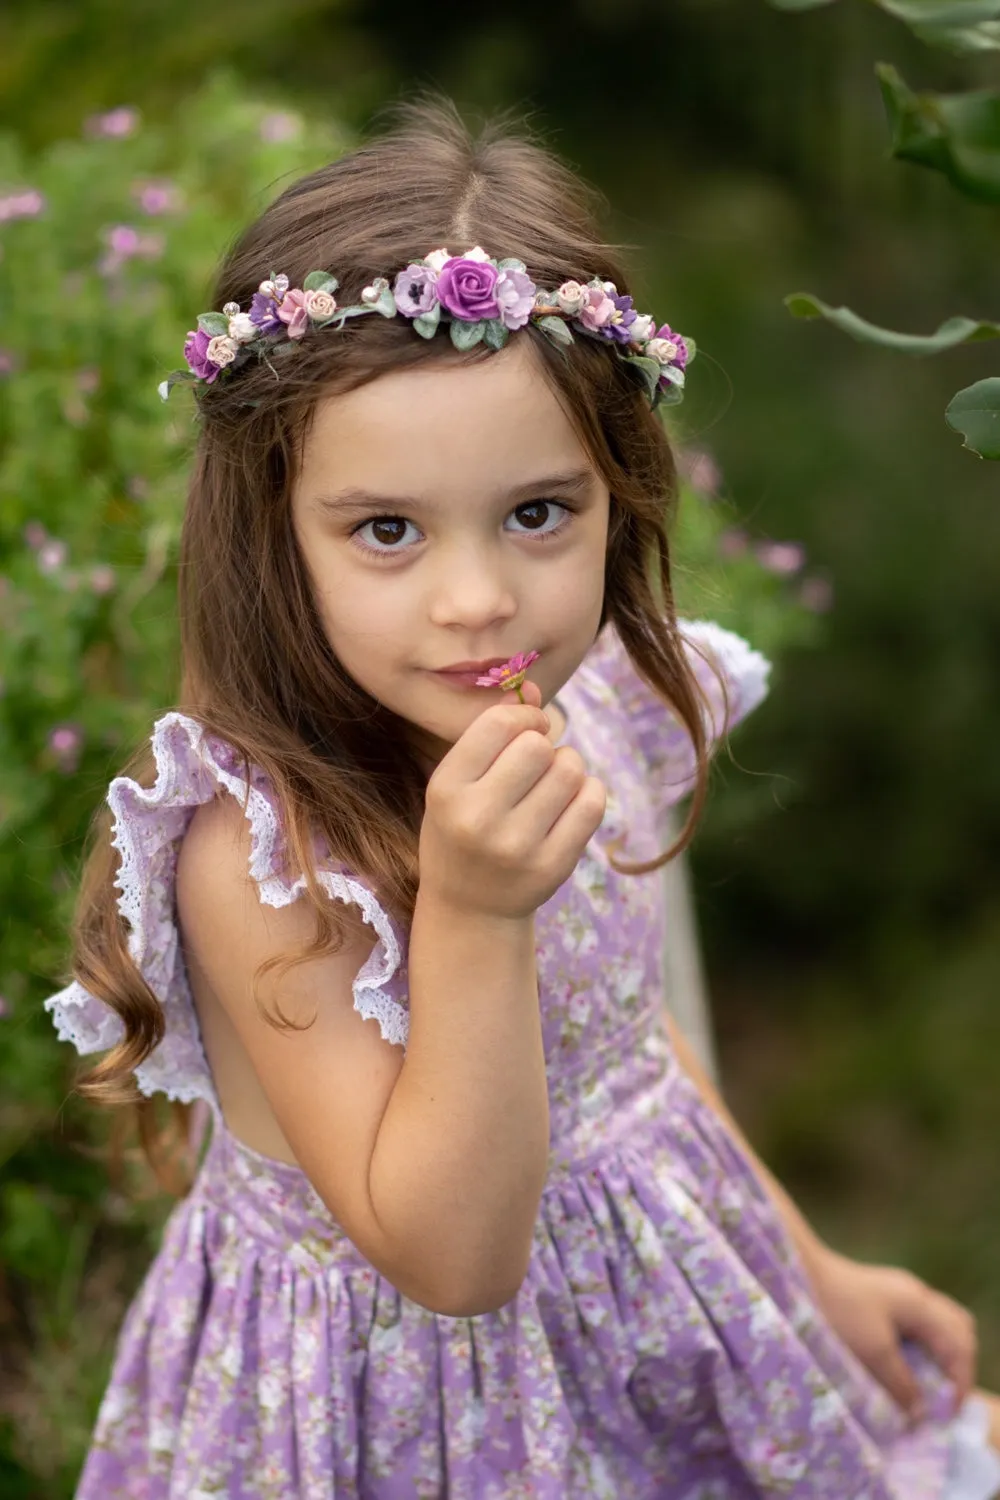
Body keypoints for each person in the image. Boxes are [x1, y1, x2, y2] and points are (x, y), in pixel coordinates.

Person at [44, 95, 1000, 1499]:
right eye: (386, 531)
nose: (481, 599)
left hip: (648, 1335)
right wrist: (476, 919)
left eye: (539, 512)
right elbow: (450, 1261)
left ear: (620, 490)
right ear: (270, 530)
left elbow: (626, 1050)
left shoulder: (591, 700)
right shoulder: (261, 859)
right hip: (406, 1416)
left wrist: (813, 1268)